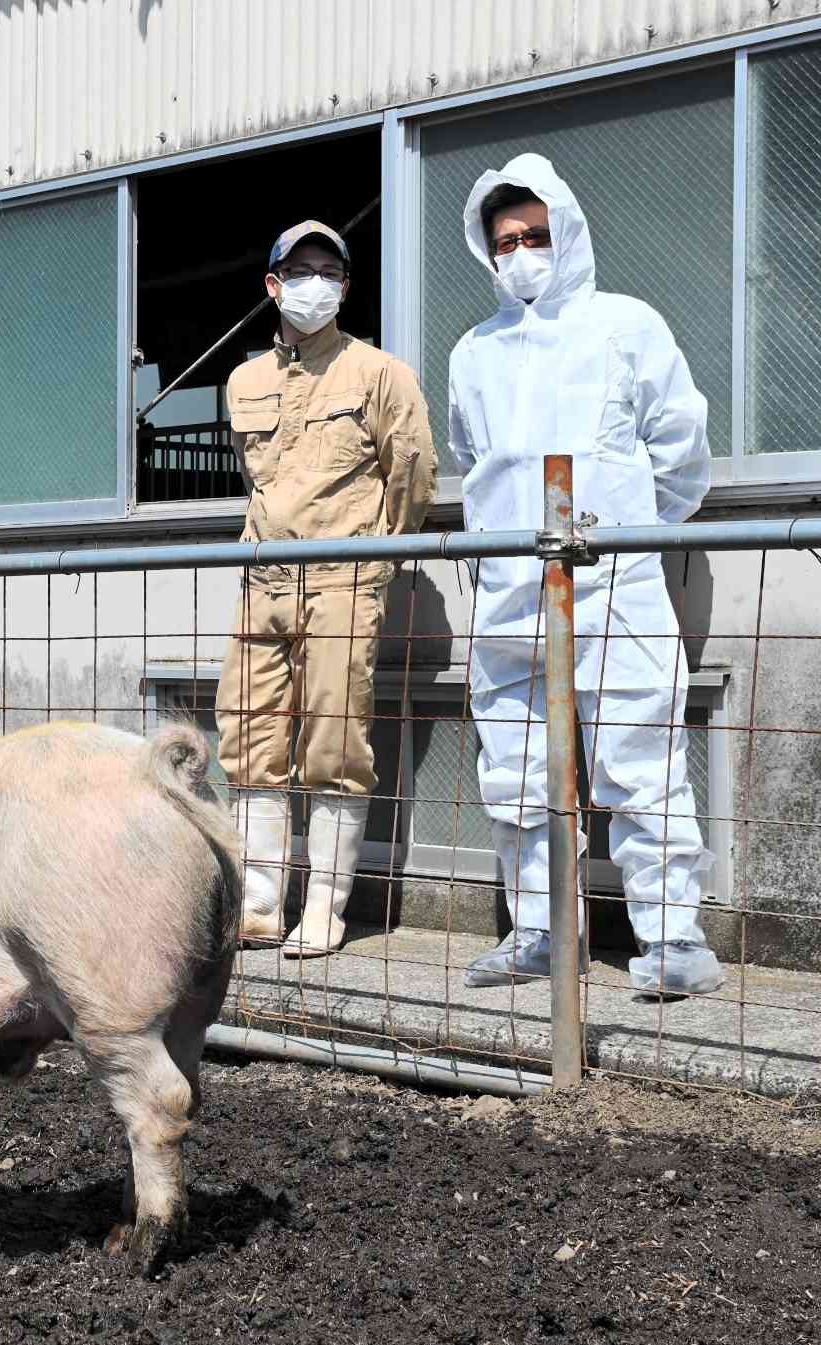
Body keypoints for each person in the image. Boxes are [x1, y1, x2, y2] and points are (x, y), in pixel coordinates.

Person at [447, 153, 724, 997]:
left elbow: (682, 450)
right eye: (504, 241)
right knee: (516, 767)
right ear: (487, 253)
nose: (521, 252)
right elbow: (470, 460)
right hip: (510, 587)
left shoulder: (625, 325)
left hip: (614, 581)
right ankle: (539, 932)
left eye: (534, 234)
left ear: (566, 231)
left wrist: (634, 536)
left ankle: (673, 940)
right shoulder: (473, 351)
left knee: (642, 756)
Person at [219, 221, 436, 957]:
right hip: (263, 576)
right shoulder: (243, 381)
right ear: (274, 285)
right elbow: (257, 482)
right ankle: (258, 905)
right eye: (302, 270)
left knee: (335, 739)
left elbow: (412, 477)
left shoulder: (379, 373)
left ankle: (325, 909)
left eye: (331, 271)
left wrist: (372, 560)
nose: (318, 282)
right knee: (248, 737)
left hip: (342, 576)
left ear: (345, 287)